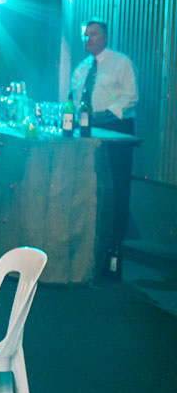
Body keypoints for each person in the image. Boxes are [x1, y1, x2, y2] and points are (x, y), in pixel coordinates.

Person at [69, 17, 138, 262]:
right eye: (85, 35)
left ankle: (115, 244)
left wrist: (107, 115)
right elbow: (74, 99)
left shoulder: (121, 63)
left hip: (115, 129)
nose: (88, 38)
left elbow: (131, 96)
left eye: (94, 34)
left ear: (105, 37)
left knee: (116, 186)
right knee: (93, 183)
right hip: (89, 130)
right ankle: (91, 240)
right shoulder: (82, 68)